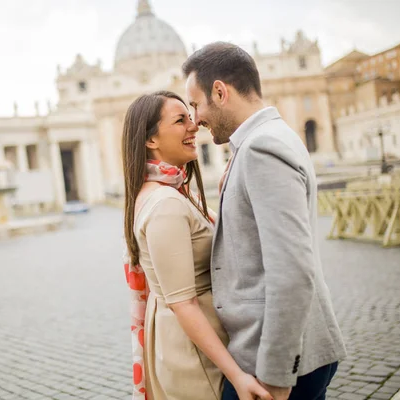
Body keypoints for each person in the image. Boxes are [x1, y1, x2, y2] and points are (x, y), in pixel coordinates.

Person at [183, 42, 347, 400]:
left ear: (220, 92)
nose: (195, 119)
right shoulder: (266, 139)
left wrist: (275, 376)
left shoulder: (261, 149)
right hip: (284, 353)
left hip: (276, 363)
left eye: (195, 105)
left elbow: (291, 270)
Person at [122, 90, 272, 400]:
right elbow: (183, 304)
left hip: (197, 344)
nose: (194, 126)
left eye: (190, 117)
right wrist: (238, 377)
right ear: (151, 140)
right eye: (180, 120)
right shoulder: (166, 203)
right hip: (196, 357)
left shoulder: (174, 192)